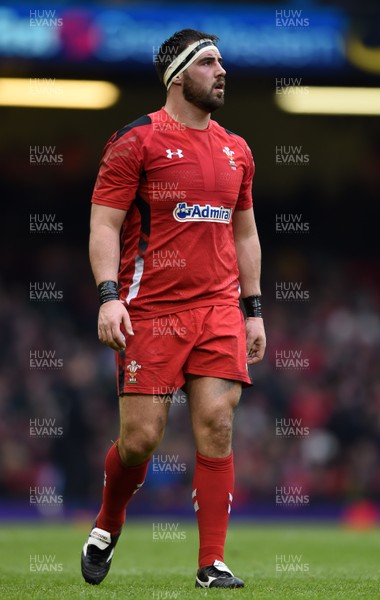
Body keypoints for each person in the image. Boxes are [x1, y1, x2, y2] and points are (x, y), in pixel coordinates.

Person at [81, 28, 266, 589]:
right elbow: (104, 224)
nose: (222, 70)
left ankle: (211, 564)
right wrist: (109, 297)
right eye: (209, 62)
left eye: (223, 61)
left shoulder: (238, 149)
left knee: (216, 421)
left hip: (217, 310)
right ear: (179, 74)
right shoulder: (135, 141)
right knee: (141, 440)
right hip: (152, 310)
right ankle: (108, 524)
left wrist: (252, 308)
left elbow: (246, 234)